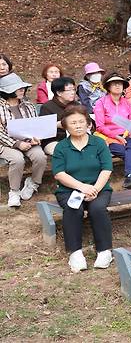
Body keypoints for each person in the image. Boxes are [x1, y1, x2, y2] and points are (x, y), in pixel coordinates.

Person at [52, 106, 114, 273]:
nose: (78, 125)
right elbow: (59, 174)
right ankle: (75, 252)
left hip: (98, 188)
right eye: (73, 122)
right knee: (73, 208)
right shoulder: (61, 147)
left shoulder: (99, 143)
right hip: (69, 189)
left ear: (88, 124)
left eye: (81, 122)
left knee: (98, 208)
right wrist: (82, 187)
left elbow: (106, 168)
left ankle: (104, 250)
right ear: (65, 126)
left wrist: (94, 189)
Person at [0, 73, 47, 207]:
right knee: (17, 159)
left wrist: (36, 138)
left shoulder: (29, 106)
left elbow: (35, 125)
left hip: (28, 141)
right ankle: (14, 191)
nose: (21, 90)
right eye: (17, 88)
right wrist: (17, 144)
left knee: (40, 156)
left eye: (22, 88)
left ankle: (33, 183)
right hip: (6, 143)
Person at [93, 73, 131, 189]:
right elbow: (99, 126)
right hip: (108, 137)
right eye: (114, 84)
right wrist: (116, 136)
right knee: (127, 153)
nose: (118, 86)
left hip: (126, 135)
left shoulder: (126, 102)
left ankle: (130, 178)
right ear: (108, 87)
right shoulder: (101, 102)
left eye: (120, 84)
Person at [39, 77, 81, 155]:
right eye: (69, 90)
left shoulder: (77, 105)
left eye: (74, 89)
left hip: (77, 137)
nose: (73, 93)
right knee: (67, 152)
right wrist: (57, 125)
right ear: (59, 93)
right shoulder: (47, 107)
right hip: (54, 140)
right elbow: (43, 129)